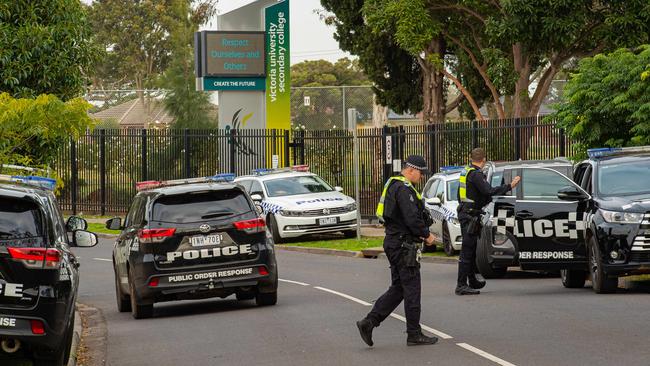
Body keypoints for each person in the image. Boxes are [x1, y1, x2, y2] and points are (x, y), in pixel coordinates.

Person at [356, 155, 438, 347]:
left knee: (399, 288)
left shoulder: (394, 185)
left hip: (395, 243)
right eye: (420, 172)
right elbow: (411, 219)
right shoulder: (403, 189)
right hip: (403, 246)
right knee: (412, 289)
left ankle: (368, 323)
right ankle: (414, 334)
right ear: (411, 170)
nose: (421, 176)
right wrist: (427, 235)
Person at [455, 148, 520, 295]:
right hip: (470, 215)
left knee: (470, 251)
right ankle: (461, 285)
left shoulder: (465, 172)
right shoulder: (476, 175)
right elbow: (488, 191)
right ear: (483, 160)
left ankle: (471, 281)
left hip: (467, 213)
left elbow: (462, 195)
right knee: (467, 251)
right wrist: (510, 186)